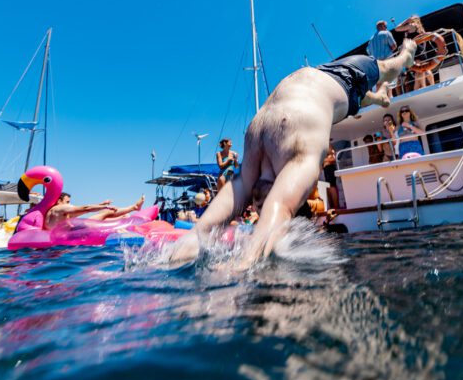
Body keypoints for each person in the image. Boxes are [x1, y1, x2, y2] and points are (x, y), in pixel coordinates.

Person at [169, 40, 418, 266]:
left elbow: (268, 201)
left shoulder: (272, 163)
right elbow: (279, 205)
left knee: (387, 72)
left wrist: (211, 246)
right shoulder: (298, 148)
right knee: (377, 81)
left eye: (256, 209)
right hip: (323, 91)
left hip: (290, 107)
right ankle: (389, 83)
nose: (256, 209)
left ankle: (403, 60)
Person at [45, 192, 145, 229]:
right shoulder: (59, 208)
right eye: (67, 202)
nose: (69, 204)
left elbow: (82, 211)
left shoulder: (57, 212)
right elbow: (86, 208)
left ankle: (133, 209)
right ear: (59, 201)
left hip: (71, 230)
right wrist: (105, 207)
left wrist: (102, 204)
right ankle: (134, 207)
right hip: (73, 232)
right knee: (106, 213)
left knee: (104, 214)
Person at [396, 16, 435, 91]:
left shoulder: (412, 26)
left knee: (420, 69)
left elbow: (397, 28)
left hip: (416, 50)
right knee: (424, 69)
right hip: (421, 50)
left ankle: (423, 87)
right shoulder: (420, 28)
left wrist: (405, 21)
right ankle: (429, 85)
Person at [322, 144, 339, 209]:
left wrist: (322, 160)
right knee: (328, 188)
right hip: (326, 169)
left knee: (332, 187)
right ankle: (332, 208)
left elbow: (333, 158)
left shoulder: (329, 146)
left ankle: (336, 208)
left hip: (329, 168)